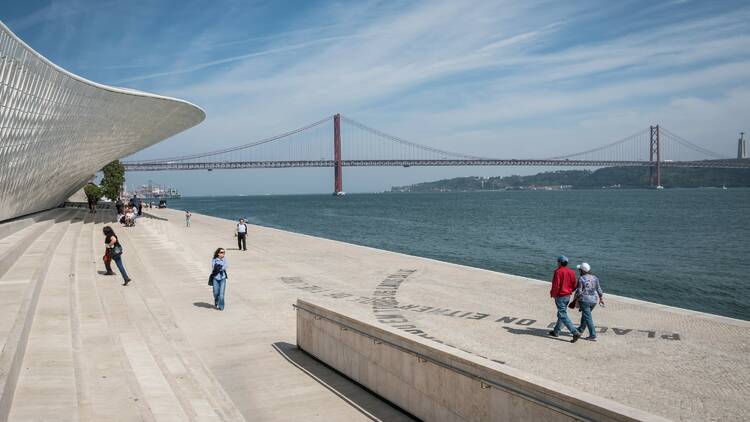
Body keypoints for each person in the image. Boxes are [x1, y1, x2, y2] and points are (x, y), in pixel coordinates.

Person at [549, 255, 581, 342]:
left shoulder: (558, 272)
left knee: (562, 314)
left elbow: (556, 285)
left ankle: (575, 332)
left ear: (559, 262)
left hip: (560, 296)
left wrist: (553, 294)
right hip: (567, 296)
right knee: (561, 313)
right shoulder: (572, 272)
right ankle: (556, 331)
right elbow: (575, 285)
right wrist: (570, 291)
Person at [575, 263, 604, 341]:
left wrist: (576, 299)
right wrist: (601, 298)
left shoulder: (581, 278)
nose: (579, 271)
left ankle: (593, 335)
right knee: (586, 315)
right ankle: (581, 329)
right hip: (594, 300)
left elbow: (579, 291)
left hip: (585, 300)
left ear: (582, 271)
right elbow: (599, 289)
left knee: (588, 317)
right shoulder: (595, 278)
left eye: (580, 270)